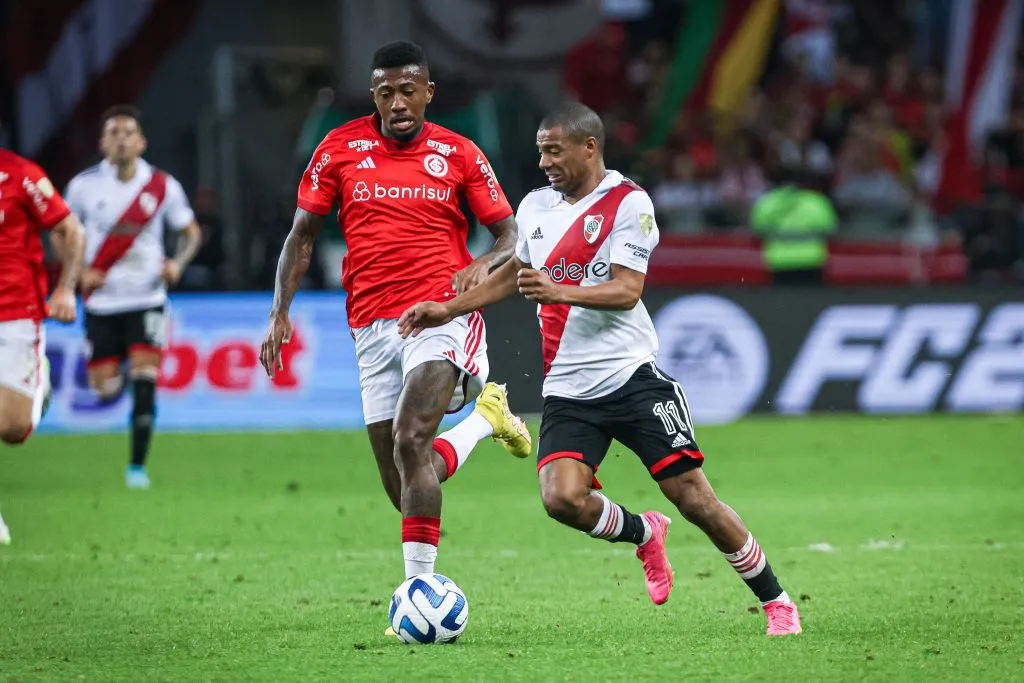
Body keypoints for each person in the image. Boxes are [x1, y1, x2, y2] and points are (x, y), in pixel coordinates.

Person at [399, 102, 802, 636]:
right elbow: (516, 274)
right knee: (560, 498)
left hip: (631, 378)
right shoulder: (537, 208)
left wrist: (557, 289)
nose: (544, 161)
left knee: (693, 499)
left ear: (589, 147)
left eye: (553, 150)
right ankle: (643, 534)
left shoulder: (628, 203)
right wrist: (447, 308)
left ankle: (776, 601)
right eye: (540, 150)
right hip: (568, 390)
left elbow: (627, 289)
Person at [258, 42, 531, 592]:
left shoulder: (459, 153)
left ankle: (419, 591)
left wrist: (479, 265)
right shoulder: (338, 148)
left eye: (409, 90)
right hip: (368, 324)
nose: (398, 102)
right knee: (402, 478)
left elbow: (511, 234)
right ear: (374, 96)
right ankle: (485, 420)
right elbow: (301, 235)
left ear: (428, 93)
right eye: (386, 93)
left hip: (439, 316)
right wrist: (279, 312)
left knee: (411, 442)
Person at [65, 105, 203, 490]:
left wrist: (176, 263)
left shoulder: (162, 185)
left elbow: (191, 232)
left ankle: (136, 468)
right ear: (103, 142)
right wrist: (77, 274)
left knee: (146, 381)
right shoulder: (83, 187)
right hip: (102, 300)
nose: (122, 138)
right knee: (104, 388)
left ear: (141, 141)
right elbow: (62, 235)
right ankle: (120, 375)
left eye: (129, 132)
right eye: (114, 132)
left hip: (147, 296)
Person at [0, 148, 87, 544]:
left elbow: (71, 231)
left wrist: (66, 289)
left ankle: (40, 385)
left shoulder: (20, 174)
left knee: (12, 429)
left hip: (16, 313)